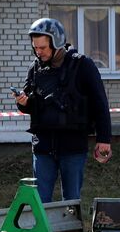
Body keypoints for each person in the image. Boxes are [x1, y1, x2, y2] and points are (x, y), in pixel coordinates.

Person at [14, 18, 112, 203]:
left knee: (71, 201)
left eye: (42, 47)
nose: (38, 52)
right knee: (40, 202)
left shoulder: (83, 65)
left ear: (56, 43)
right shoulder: (35, 69)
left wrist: (104, 139)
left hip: (72, 146)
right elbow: (29, 105)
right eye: (35, 47)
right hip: (43, 147)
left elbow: (100, 103)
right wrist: (23, 102)